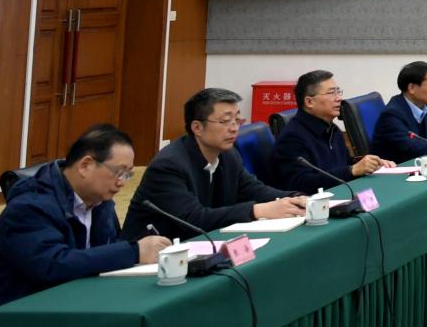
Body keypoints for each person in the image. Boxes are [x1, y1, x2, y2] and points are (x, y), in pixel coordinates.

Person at [0, 125, 170, 315]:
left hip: (71, 305)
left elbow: (103, 253)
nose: (122, 183)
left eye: (128, 174)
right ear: (85, 165)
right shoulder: (30, 206)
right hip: (11, 317)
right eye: (119, 172)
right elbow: (53, 265)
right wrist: (133, 252)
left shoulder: (100, 202)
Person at [123, 88, 306, 240]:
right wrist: (256, 211)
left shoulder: (228, 154)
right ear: (197, 127)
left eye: (237, 120)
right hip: (150, 257)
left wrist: (297, 198)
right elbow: (194, 219)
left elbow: (253, 189)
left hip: (200, 246)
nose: (234, 128)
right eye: (225, 121)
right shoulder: (168, 166)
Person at [271, 69, 392, 192]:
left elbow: (345, 163)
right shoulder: (292, 138)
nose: (339, 98)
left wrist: (370, 163)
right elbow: (301, 183)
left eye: (338, 92)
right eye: (331, 93)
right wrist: (351, 170)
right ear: (309, 102)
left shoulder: (332, 129)